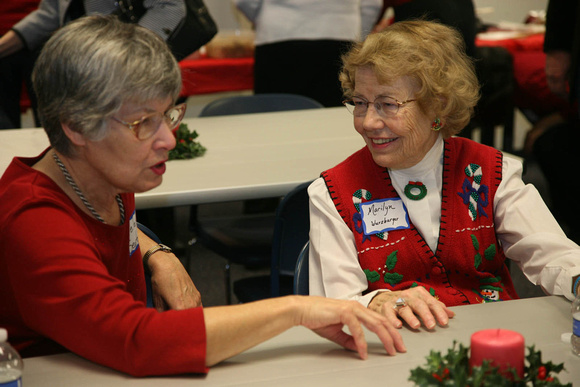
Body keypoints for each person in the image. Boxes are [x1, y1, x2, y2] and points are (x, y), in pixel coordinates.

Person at [0, 15, 406, 376]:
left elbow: (90, 229)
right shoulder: (32, 216)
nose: (168, 139)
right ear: (76, 127)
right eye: (143, 123)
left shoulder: (102, 176)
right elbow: (136, 341)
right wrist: (297, 309)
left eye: (168, 115)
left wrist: (155, 251)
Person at [308, 20, 580, 332]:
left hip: (491, 346)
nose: (368, 122)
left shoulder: (491, 172)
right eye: (359, 103)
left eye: (387, 104)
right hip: (395, 354)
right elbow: (333, 305)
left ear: (438, 105)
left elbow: (550, 253)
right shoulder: (334, 192)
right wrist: (376, 301)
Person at [0, 0, 186, 128]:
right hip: (76, 65)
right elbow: (50, 14)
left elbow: (169, 6)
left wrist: (128, 53)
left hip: (121, 66)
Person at [233, 0, 383, 107]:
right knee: (335, 118)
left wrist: (272, 19)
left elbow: (244, 2)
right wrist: (354, 35)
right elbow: (372, 4)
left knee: (275, 115)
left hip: (278, 38)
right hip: (340, 36)